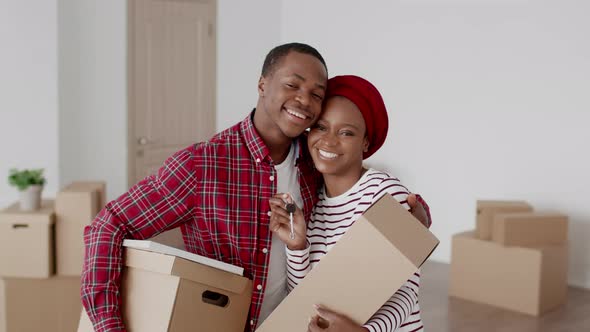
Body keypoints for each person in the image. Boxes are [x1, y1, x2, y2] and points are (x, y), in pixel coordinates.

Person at [81, 43, 430, 332]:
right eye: (292, 85)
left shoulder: (314, 165)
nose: (304, 101)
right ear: (263, 84)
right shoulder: (203, 166)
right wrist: (109, 327)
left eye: (316, 94)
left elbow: (360, 190)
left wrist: (411, 220)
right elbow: (108, 225)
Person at [269, 75, 426, 332]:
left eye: (346, 132)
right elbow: (307, 300)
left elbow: (407, 289)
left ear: (365, 142)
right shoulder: (313, 203)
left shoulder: (386, 193)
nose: (329, 141)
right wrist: (297, 246)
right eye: (320, 127)